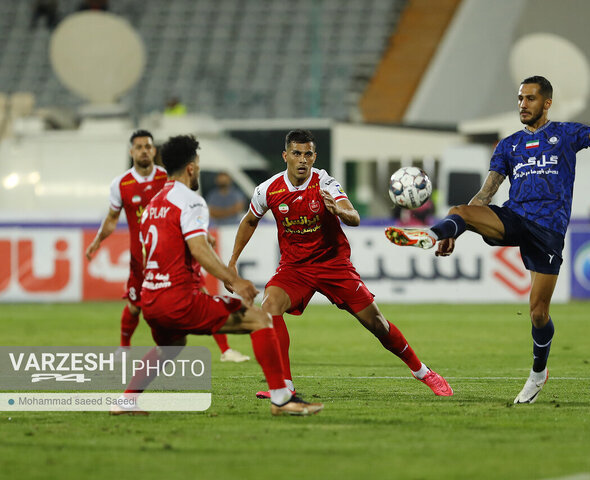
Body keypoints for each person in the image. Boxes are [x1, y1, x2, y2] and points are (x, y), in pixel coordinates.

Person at [385, 76, 590, 404]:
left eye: (530, 99)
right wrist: (460, 227)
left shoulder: (566, 134)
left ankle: (538, 374)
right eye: (520, 98)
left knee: (538, 313)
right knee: (460, 210)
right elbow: (487, 191)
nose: (523, 104)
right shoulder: (508, 145)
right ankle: (431, 234)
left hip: (548, 231)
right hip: (514, 218)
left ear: (547, 103)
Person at [228, 129, 453, 399]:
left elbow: (354, 216)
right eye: (297, 153)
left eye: (308, 154)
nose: (302, 159)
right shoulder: (268, 190)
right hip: (295, 268)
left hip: (334, 264)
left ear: (314, 156)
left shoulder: (325, 183)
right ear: (285, 155)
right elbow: (250, 220)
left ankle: (424, 372)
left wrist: (339, 209)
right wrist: (231, 262)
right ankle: (284, 386)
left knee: (377, 324)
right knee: (269, 306)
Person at [112, 134, 322, 416]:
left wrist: (195, 247)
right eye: (197, 164)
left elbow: (159, 247)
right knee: (260, 319)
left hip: (151, 300)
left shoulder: (154, 203)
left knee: (171, 346)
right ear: (190, 168)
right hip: (178, 300)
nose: (197, 169)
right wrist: (233, 279)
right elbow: (198, 248)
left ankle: (126, 401)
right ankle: (282, 400)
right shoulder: (191, 201)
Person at [86, 130, 250, 363]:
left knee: (199, 292)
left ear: (154, 151)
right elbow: (112, 219)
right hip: (141, 258)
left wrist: (202, 236)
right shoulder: (121, 184)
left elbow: (187, 212)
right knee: (134, 307)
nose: (144, 150)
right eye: (139, 147)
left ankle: (225, 350)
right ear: (131, 152)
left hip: (174, 253)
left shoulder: (169, 176)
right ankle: (124, 349)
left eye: (148, 146)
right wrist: (97, 241)